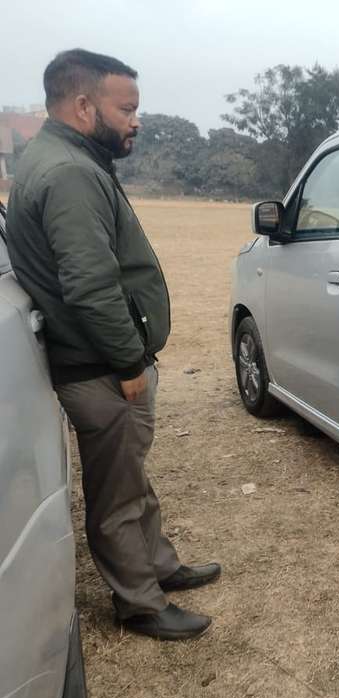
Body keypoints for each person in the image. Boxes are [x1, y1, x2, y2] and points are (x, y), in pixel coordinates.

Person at [7, 49, 219, 640]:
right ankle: (140, 603)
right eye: (126, 109)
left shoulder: (62, 159)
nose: (136, 121)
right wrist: (128, 362)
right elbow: (90, 285)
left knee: (129, 474)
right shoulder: (71, 173)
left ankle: (159, 565)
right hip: (100, 366)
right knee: (117, 492)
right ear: (83, 106)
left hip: (97, 360)